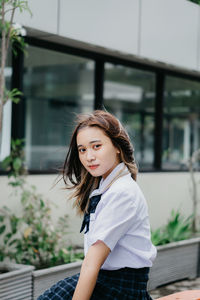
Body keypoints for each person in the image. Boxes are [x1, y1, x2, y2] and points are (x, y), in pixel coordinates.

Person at [38, 110, 157, 300]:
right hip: (107, 280)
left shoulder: (122, 192)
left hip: (121, 289)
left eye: (96, 146)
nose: (89, 156)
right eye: (82, 149)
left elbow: (92, 262)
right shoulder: (106, 186)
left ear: (117, 146)